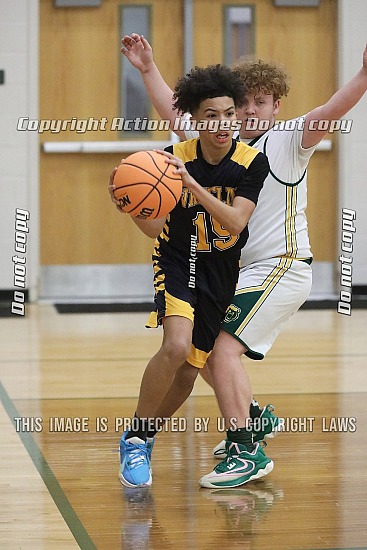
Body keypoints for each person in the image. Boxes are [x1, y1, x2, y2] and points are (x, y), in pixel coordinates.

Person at [119, 35, 367, 489]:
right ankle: (251, 415)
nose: (250, 111)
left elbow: (330, 111)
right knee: (207, 353)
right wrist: (147, 69)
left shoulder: (291, 139)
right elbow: (175, 116)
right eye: (243, 102)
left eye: (260, 102)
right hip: (235, 271)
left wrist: (364, 77)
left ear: (276, 106)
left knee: (225, 348)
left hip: (281, 263)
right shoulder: (218, 140)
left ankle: (245, 448)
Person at [113, 63, 270, 488]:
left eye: (229, 114)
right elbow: (153, 227)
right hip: (179, 261)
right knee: (176, 344)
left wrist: (194, 188)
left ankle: (141, 437)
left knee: (187, 371)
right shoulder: (171, 160)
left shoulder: (252, 163)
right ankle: (136, 440)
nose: (223, 124)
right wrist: (132, 205)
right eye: (212, 115)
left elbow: (236, 223)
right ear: (195, 120)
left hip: (220, 272)